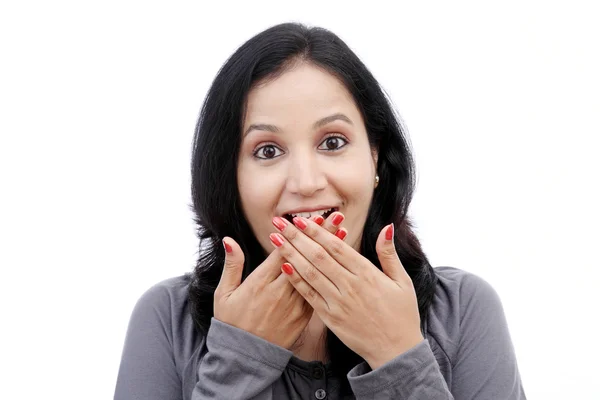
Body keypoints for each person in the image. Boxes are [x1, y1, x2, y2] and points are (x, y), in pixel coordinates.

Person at [114, 22, 526, 399]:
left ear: (375, 158)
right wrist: (239, 360)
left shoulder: (464, 309)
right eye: (268, 150)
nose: (306, 182)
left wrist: (398, 356)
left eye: (332, 142)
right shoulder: (167, 319)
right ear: (230, 179)